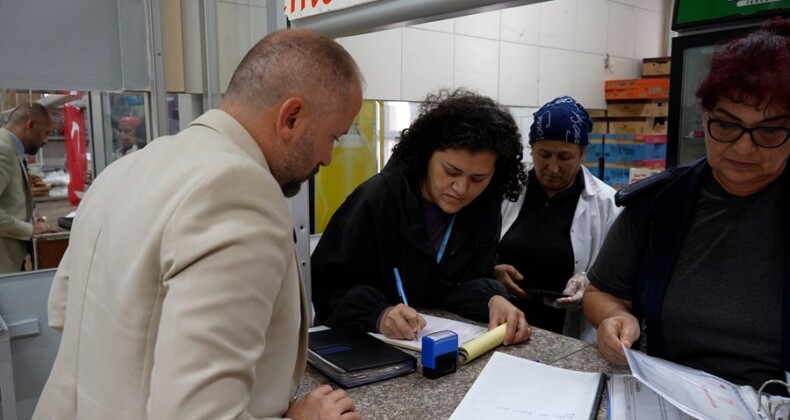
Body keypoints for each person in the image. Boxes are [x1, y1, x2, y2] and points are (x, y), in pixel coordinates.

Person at [34, 29, 364, 419]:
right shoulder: (238, 190)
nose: (328, 158)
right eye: (334, 137)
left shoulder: (122, 170)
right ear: (291, 117)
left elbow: (65, 315)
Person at [583, 17, 790, 395]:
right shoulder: (660, 204)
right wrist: (613, 318)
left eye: (771, 130)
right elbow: (601, 292)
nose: (744, 148)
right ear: (705, 116)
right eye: (727, 125)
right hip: (663, 396)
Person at [311, 88, 532, 346]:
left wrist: (493, 298)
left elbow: (466, 279)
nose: (461, 189)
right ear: (427, 155)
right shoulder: (377, 200)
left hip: (435, 342)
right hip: (364, 346)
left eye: (478, 179)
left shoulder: (484, 206)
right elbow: (329, 287)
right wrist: (379, 314)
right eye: (451, 171)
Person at [496, 96, 621, 341]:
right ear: (531, 149)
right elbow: (476, 247)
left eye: (565, 157)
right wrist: (493, 268)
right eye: (544, 154)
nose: (553, 168)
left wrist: (589, 282)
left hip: (567, 332)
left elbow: (618, 275)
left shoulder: (607, 204)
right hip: (504, 324)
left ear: (582, 154)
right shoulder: (506, 190)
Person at [0, 103, 62, 274]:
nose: (46, 141)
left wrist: (30, 219)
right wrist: (30, 229)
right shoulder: (3, 150)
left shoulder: (11, 150)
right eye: (46, 133)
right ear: (31, 125)